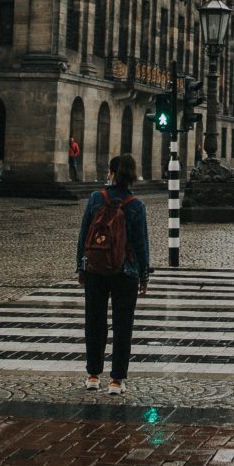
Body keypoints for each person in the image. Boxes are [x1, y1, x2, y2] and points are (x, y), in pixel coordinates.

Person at [76, 154, 151, 395]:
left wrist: (82, 265)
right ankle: (116, 380)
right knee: (122, 325)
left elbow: (84, 234)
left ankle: (93, 375)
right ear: (132, 175)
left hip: (95, 268)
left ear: (111, 172)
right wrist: (144, 275)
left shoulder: (97, 198)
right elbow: (141, 244)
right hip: (125, 271)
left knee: (94, 322)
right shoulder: (136, 205)